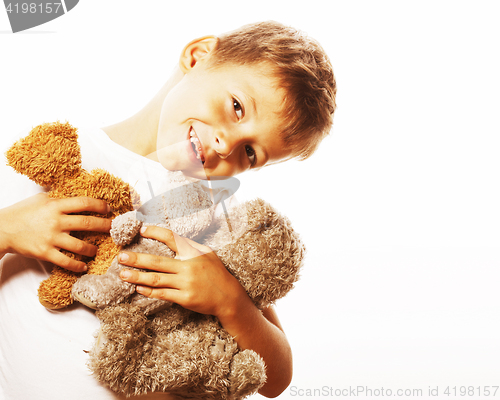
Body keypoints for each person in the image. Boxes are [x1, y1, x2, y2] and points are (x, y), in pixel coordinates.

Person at [0, 21, 336, 399]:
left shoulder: (217, 218)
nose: (227, 144)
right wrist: (8, 229)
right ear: (198, 56)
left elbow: (277, 377)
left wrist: (229, 301)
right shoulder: (49, 155)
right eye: (237, 107)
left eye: (250, 153)